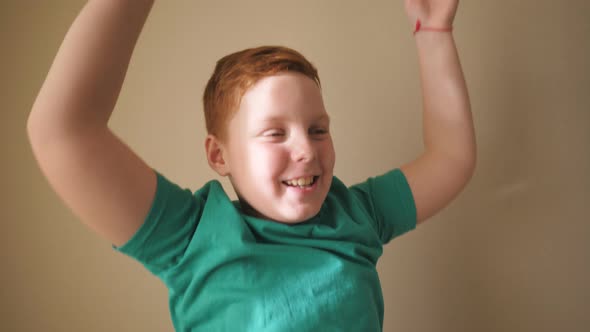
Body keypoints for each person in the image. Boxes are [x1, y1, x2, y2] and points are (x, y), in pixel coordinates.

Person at [26, 0, 476, 331]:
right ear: (219, 155)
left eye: (318, 129)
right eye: (275, 133)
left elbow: (450, 159)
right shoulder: (189, 236)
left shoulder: (356, 214)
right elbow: (64, 132)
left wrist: (432, 32)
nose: (307, 149)